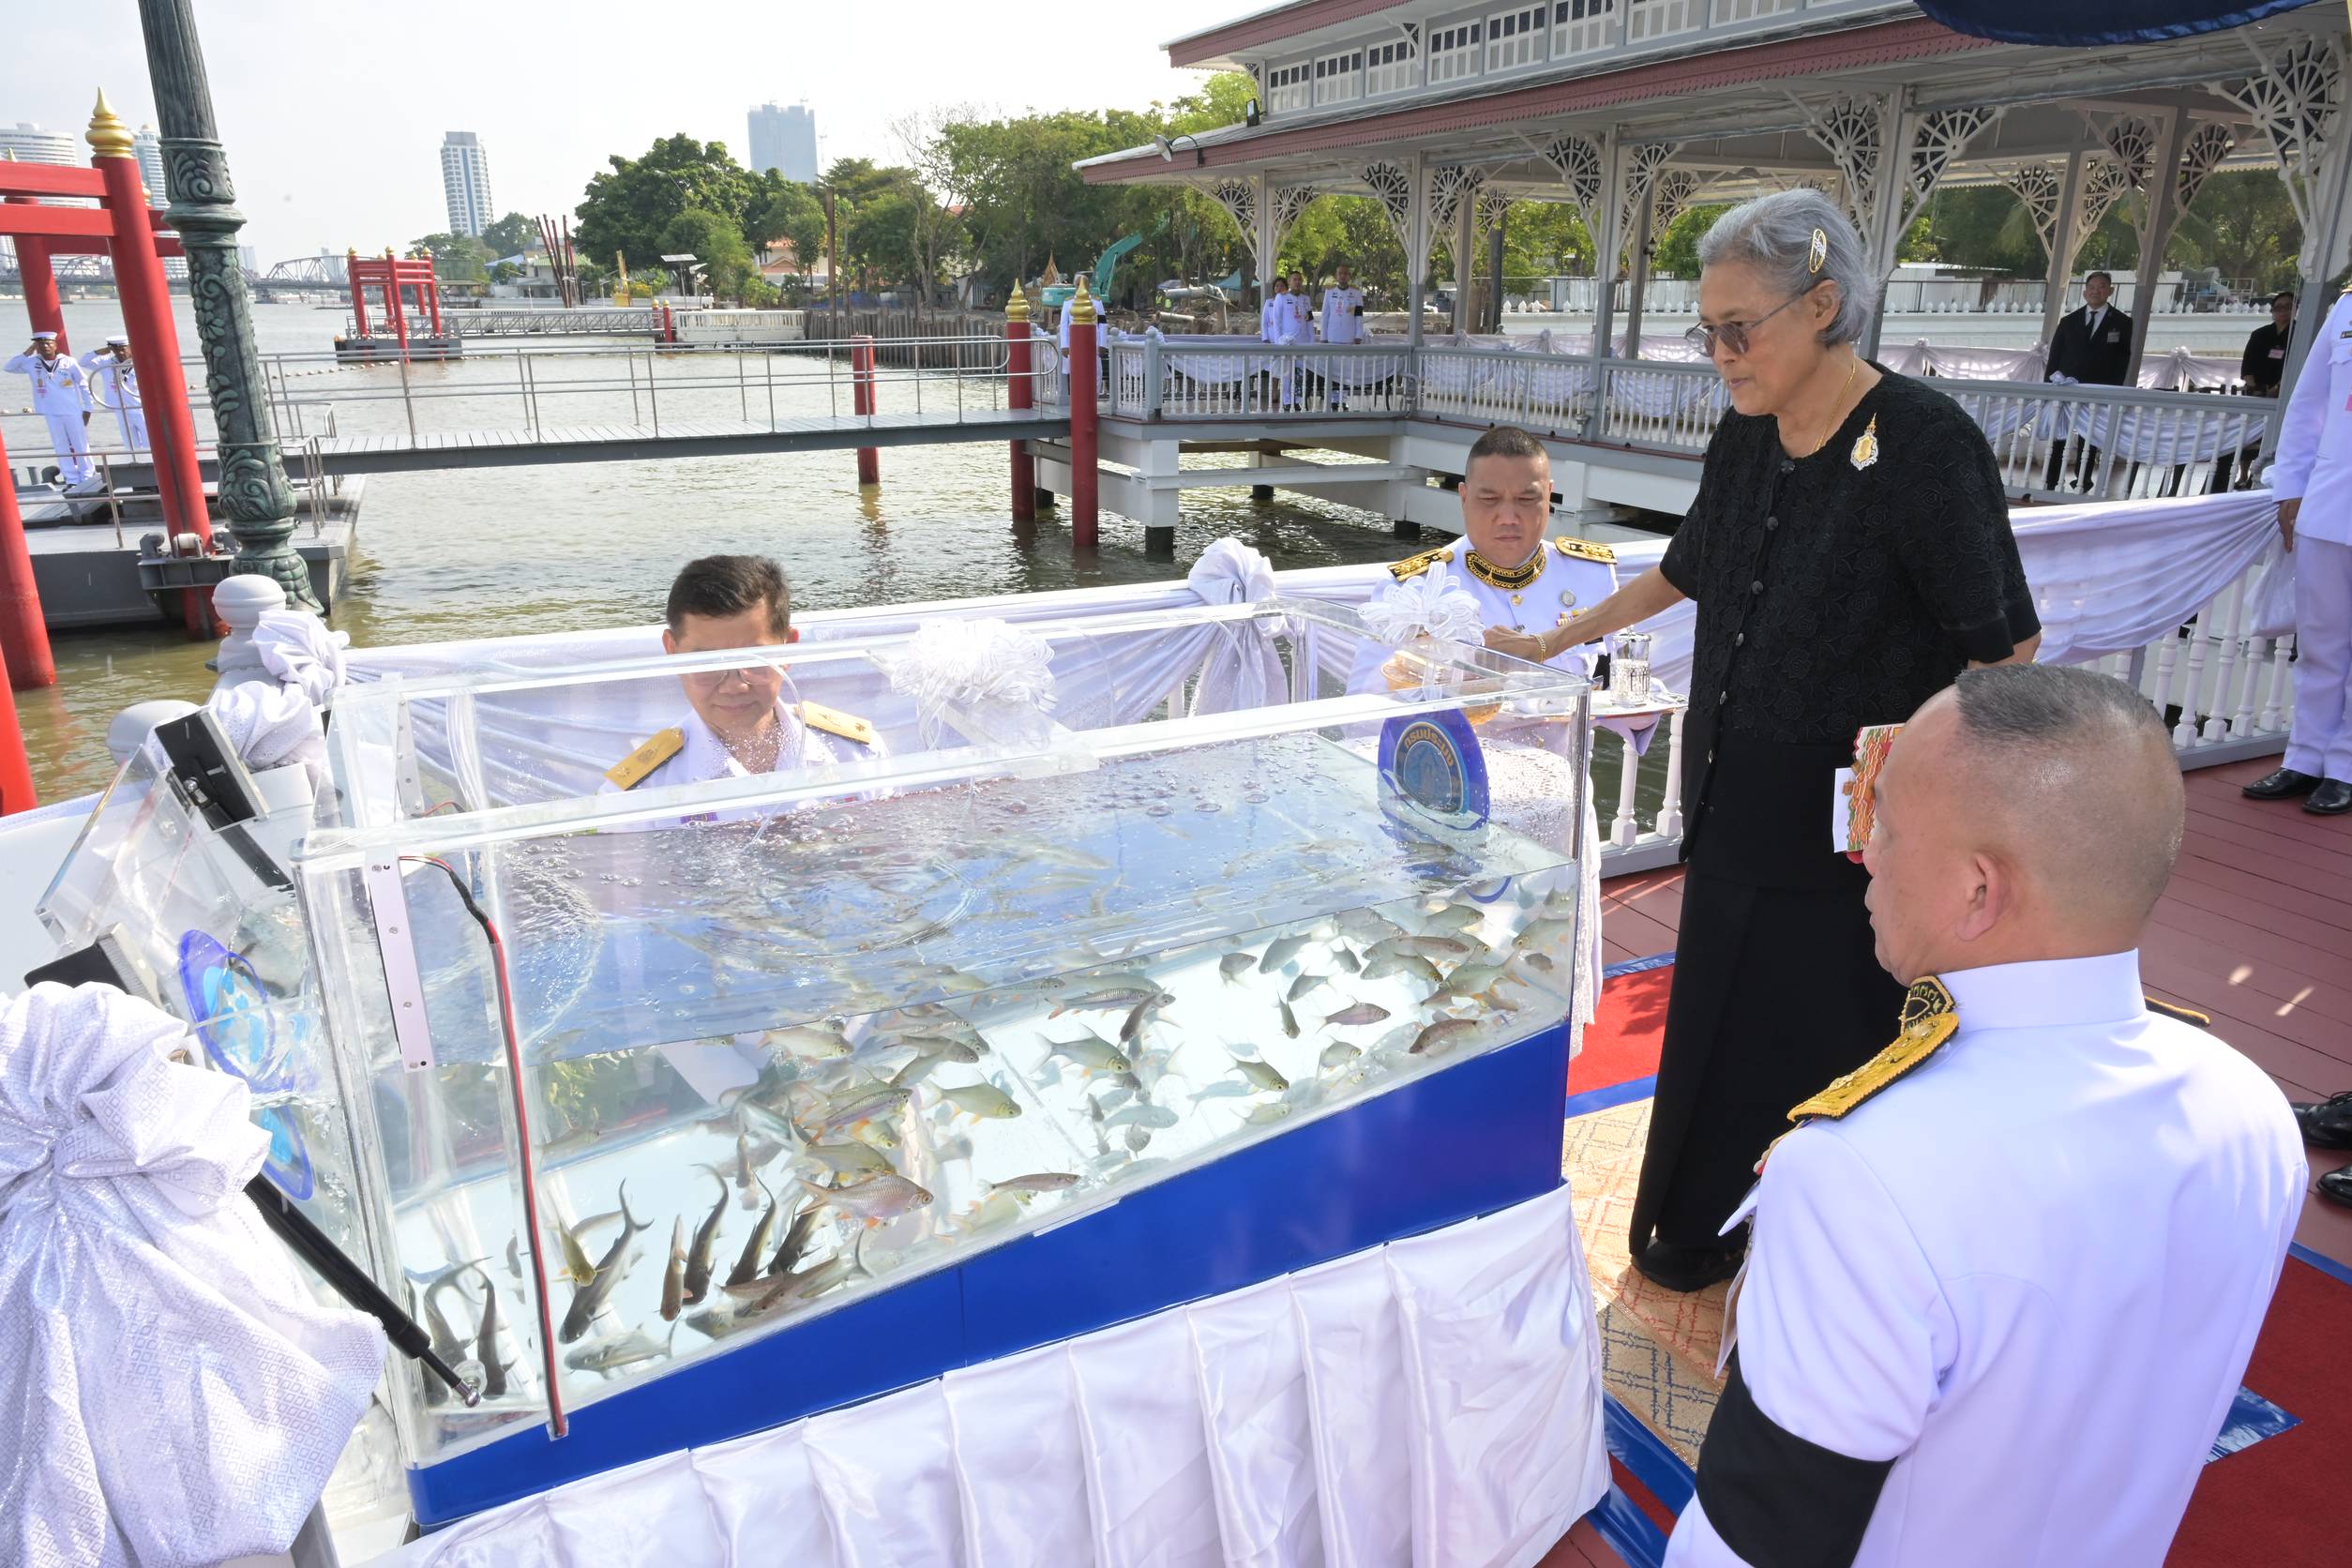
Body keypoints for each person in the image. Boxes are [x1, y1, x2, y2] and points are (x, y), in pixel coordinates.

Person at [1489, 188, 2041, 1291]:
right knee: (1716, 1028)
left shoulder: (1927, 446)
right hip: (1735, 804)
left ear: (1824, 305)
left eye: (1739, 329)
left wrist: (1922, 800)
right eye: (1709, 330)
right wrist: (1561, 633)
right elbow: (1687, 563)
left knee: (1821, 1034)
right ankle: (1693, 1227)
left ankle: (1814, 1252)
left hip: (1855, 840)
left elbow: (2006, 649)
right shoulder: (1746, 434)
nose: (1720, 355)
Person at [1664, 664, 2305, 1567]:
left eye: (1883, 823)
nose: (1865, 853)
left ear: (1978, 890)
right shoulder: (2255, 1109)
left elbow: (1753, 1544)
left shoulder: (1862, 1174)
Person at [1354, 424, 1624, 1034]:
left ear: (1550, 496)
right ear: (1462, 497)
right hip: (1450, 814)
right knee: (1452, 972)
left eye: (1528, 500)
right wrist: (1436, 682)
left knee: (1543, 961)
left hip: (1553, 808)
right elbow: (1362, 705)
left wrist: (1527, 684)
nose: (1510, 517)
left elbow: (1610, 682)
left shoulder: (1589, 577)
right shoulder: (1418, 585)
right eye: (1490, 499)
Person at [602, 554, 880, 806]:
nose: (734, 685)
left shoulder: (855, 755)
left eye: (753, 660)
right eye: (707, 662)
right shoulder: (640, 794)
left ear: (788, 648)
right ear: (672, 652)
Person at [2244, 285, 2352, 817]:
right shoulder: (2348, 308)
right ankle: (2305, 756)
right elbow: (2310, 403)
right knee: (2319, 645)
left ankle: (2347, 765)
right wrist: (2290, 483)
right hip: (2332, 504)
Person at [2043, 270, 2132, 490]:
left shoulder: (2122, 322)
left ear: (2110, 291)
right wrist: (2047, 387)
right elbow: (2055, 354)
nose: (2096, 291)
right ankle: (2052, 478)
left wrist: (2113, 390)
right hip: (2065, 385)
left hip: (2098, 389)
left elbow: (2123, 359)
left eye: (2101, 287)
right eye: (2092, 287)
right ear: (2084, 292)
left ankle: (2083, 479)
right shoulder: (2068, 321)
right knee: (2059, 433)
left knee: (2089, 436)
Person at [4, 330, 96, 492]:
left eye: (48, 343)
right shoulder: (31, 362)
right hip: (50, 410)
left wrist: (88, 408)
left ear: (55, 345)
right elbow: (9, 367)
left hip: (72, 409)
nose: (44, 346)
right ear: (36, 346)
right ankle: (71, 478)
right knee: (61, 445)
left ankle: (87, 475)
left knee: (80, 444)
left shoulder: (68, 362)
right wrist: (28, 351)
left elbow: (83, 384)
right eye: (40, 344)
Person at [81, 335, 147, 457]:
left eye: (123, 349)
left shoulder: (140, 362)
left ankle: (151, 463)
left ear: (130, 347)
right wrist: (100, 352)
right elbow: (83, 362)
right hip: (120, 408)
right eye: (116, 350)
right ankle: (135, 463)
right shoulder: (106, 363)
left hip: (139, 408)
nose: (120, 353)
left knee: (148, 440)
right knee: (130, 444)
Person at [2239, 290, 2295, 398]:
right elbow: (2247, 366)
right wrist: (2254, 389)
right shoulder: (2259, 334)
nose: (2283, 311)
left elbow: (2295, 367)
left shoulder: (2299, 334)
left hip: (2284, 393)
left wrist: (2276, 389)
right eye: (2278, 307)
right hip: (2255, 391)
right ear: (2273, 311)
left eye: (2288, 307)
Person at [1319, 263, 1365, 346]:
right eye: (1340, 273)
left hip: (1349, 337)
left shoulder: (1356, 293)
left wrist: (1358, 335)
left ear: (1349, 276)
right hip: (1332, 336)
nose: (1343, 276)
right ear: (1336, 276)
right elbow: (1325, 315)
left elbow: (1359, 316)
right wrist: (1323, 337)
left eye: (1345, 273)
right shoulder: (1329, 292)